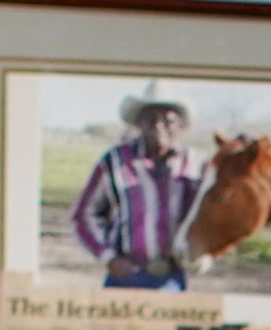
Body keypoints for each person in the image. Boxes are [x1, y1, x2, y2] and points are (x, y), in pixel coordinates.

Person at [70, 83, 208, 291]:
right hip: (125, 275)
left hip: (171, 277)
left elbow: (210, 215)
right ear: (138, 124)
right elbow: (84, 216)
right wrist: (109, 258)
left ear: (180, 126)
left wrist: (202, 253)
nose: (158, 126)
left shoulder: (195, 165)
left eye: (167, 120)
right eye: (150, 119)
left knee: (169, 325)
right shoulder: (114, 161)